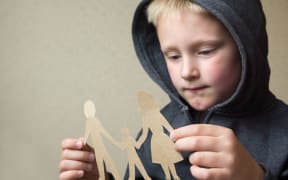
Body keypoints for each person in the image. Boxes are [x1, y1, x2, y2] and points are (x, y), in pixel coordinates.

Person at [59, 0, 288, 179]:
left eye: (205, 51)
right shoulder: (156, 129)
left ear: (246, 47)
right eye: (173, 56)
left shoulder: (283, 132)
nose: (187, 72)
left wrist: (254, 177)